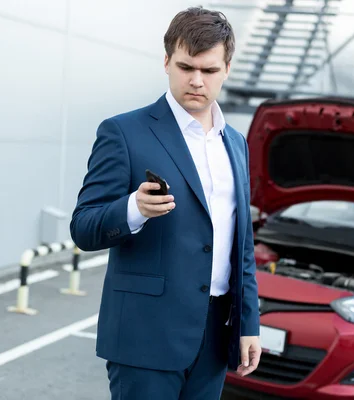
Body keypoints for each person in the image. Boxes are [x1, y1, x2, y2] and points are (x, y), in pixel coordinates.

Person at [70, 6, 261, 400]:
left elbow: (240, 245)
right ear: (166, 62)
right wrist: (133, 209)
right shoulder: (123, 132)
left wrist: (249, 323)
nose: (196, 81)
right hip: (144, 336)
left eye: (208, 71)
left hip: (214, 336)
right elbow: (83, 227)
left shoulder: (237, 144)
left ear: (227, 69)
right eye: (185, 66)